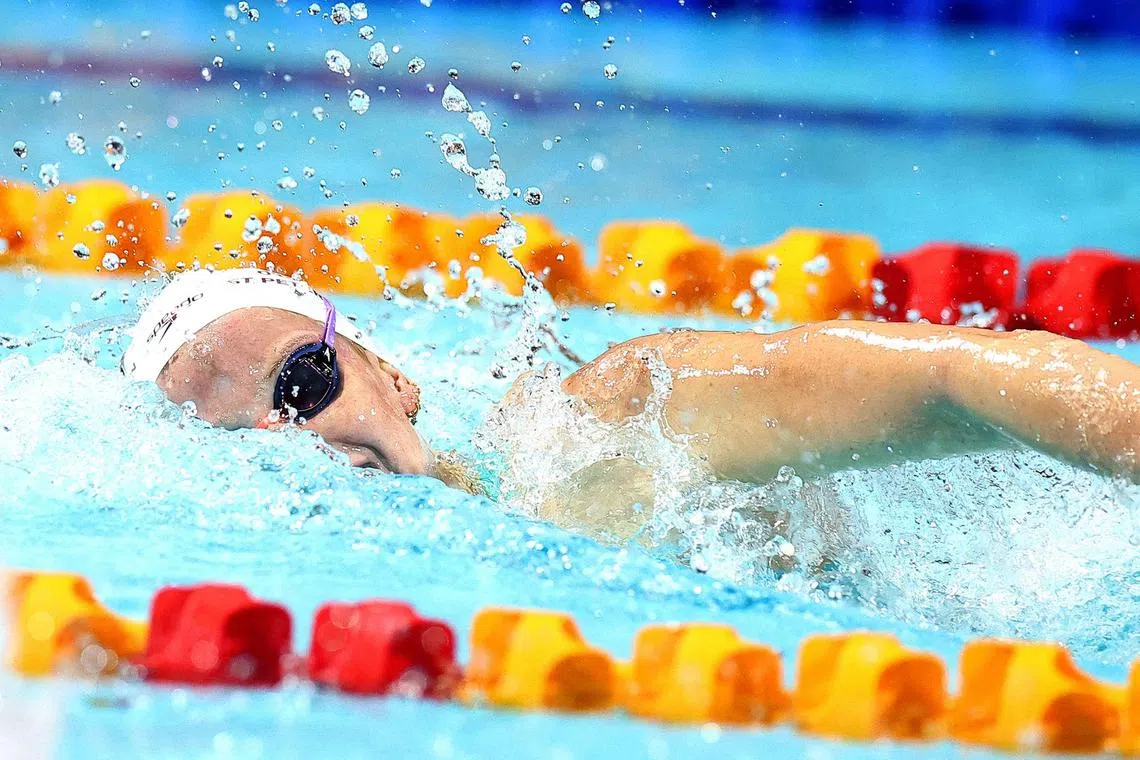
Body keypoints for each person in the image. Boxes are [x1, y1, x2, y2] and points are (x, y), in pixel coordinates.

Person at [124, 267, 1140, 535]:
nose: (289, 440)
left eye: (302, 382)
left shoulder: (618, 417)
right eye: (236, 448)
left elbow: (951, 373)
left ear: (396, 376)